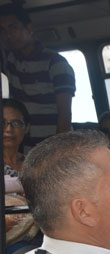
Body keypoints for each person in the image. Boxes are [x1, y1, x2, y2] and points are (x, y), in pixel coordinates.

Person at [0, 4, 75, 148]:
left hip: (50, 147)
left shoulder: (56, 63)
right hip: (22, 148)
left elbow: (64, 116)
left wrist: (57, 151)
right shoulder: (8, 62)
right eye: (3, 30)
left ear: (29, 28)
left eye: (13, 27)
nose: (8, 35)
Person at [2, 98, 39, 254]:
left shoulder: (35, 166)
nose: (8, 129)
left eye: (16, 123)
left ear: (27, 127)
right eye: (2, 122)